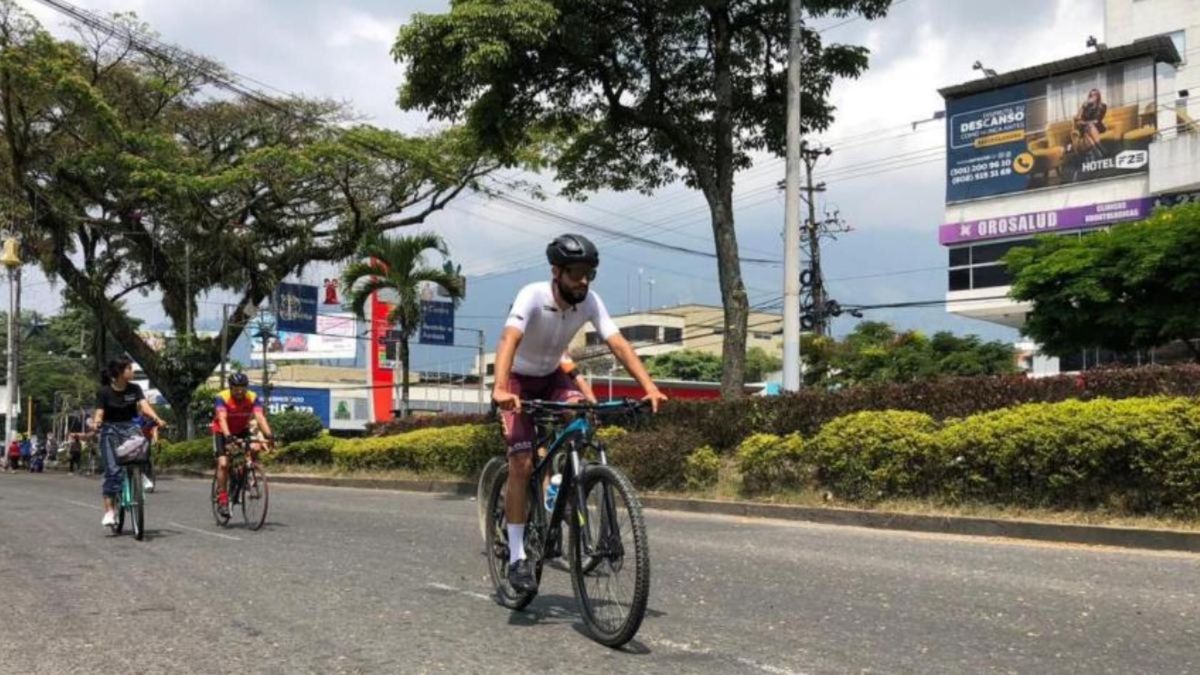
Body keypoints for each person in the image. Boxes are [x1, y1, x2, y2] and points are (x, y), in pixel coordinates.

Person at [492, 233, 668, 594]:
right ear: (556, 272)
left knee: (581, 413)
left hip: (553, 376)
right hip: (518, 380)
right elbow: (508, 339)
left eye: (590, 273)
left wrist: (648, 386)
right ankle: (516, 555)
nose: (583, 281)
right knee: (522, 462)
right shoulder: (533, 295)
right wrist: (501, 389)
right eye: (576, 273)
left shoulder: (590, 302)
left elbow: (617, 343)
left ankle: (571, 482)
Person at [92, 358, 168, 529]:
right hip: (109, 430)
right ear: (119, 373)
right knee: (113, 471)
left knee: (142, 445)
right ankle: (110, 511)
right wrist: (97, 422)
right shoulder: (104, 392)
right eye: (129, 368)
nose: (132, 372)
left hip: (130, 427)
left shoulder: (135, 388)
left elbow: (144, 406)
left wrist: (156, 418)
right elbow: (99, 412)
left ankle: (140, 476)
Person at [211, 373, 275, 518]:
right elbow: (222, 418)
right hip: (222, 431)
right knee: (223, 464)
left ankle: (244, 474)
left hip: (241, 430)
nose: (239, 391)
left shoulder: (252, 397)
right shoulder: (222, 397)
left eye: (242, 388)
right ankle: (222, 498)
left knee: (255, 447)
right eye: (236, 388)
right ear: (231, 388)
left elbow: (259, 417)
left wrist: (269, 436)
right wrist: (227, 437)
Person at [1074, 88, 1107, 156]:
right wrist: (1083, 106)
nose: (1093, 97)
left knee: (1089, 129)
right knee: (1087, 131)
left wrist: (1085, 122)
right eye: (1091, 95)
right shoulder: (1086, 107)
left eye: (1095, 95)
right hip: (1086, 128)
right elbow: (1077, 119)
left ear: (1098, 96)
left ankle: (1100, 151)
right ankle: (1101, 152)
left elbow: (1096, 121)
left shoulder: (1103, 106)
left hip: (1097, 127)